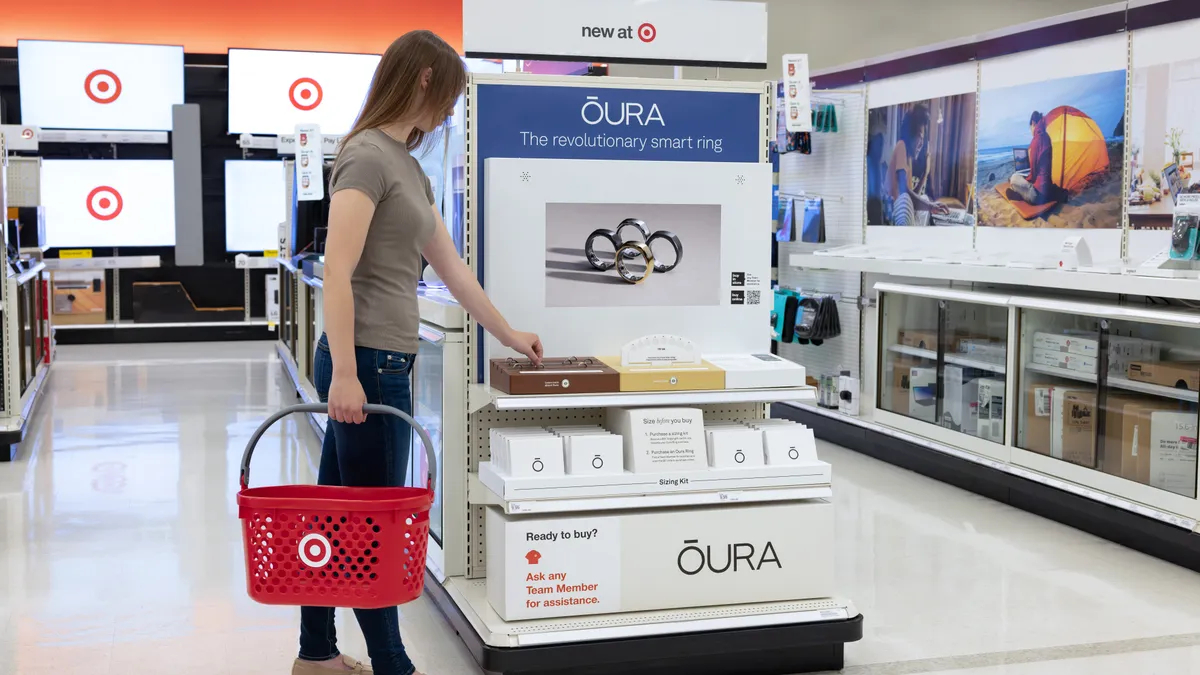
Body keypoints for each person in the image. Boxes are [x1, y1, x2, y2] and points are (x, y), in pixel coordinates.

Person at [295, 30, 543, 675]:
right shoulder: (366, 158)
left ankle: (316, 653)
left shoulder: (406, 166)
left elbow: (451, 269)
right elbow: (338, 270)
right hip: (368, 363)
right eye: (451, 97)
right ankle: (394, 665)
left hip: (382, 359)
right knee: (376, 526)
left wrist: (508, 333)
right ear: (425, 80)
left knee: (337, 509)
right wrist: (346, 373)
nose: (451, 114)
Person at [885, 104, 950, 226]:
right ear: (910, 135)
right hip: (894, 216)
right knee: (909, 200)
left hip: (904, 212)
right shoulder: (901, 146)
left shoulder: (908, 159)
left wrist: (925, 174)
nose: (921, 144)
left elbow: (913, 196)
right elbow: (905, 193)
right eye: (920, 138)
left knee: (924, 198)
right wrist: (930, 207)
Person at [1007, 111, 1053, 205]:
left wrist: (1024, 178)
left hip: (1037, 195)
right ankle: (1020, 189)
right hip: (1048, 189)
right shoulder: (1046, 136)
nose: (1031, 131)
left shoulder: (1036, 140)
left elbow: (1033, 175)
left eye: (1030, 128)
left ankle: (1019, 195)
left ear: (1033, 123)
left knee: (1013, 178)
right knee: (1019, 177)